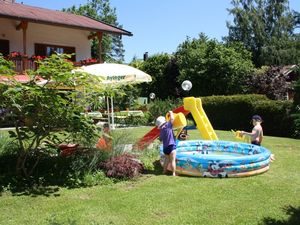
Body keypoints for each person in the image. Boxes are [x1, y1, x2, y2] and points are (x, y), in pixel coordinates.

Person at [156, 111, 177, 176]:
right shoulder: (168, 125)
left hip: (165, 148)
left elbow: (160, 139)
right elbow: (172, 119)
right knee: (173, 160)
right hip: (171, 146)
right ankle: (173, 173)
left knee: (167, 160)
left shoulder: (161, 131)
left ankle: (164, 171)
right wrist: (171, 113)